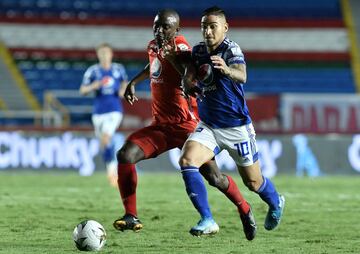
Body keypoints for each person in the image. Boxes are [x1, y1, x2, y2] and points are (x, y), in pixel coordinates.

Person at [113, 9, 257, 240]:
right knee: (125, 154)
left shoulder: (181, 47)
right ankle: (131, 216)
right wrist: (134, 82)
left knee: (214, 178)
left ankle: (244, 208)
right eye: (156, 26)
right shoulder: (153, 46)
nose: (160, 31)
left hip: (187, 125)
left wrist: (175, 63)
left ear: (176, 30)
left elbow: (192, 75)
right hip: (161, 126)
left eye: (165, 27)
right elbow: (153, 64)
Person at [180, 6, 285, 232]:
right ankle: (207, 219)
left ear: (225, 28)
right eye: (203, 27)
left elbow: (242, 75)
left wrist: (227, 70)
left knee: (253, 183)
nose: (207, 32)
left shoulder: (231, 49)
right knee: (187, 161)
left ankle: (276, 201)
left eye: (212, 26)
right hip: (208, 125)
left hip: (237, 128)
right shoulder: (198, 51)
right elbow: (189, 71)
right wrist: (187, 82)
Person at [79, 43, 128, 186]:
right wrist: (94, 86)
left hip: (114, 110)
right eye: (102, 53)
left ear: (111, 54)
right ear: (98, 55)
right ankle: (110, 169)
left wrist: (123, 90)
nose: (105, 56)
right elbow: (82, 90)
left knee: (106, 138)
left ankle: (113, 172)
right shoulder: (93, 71)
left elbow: (125, 83)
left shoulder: (118, 69)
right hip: (98, 113)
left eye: (107, 53)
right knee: (104, 144)